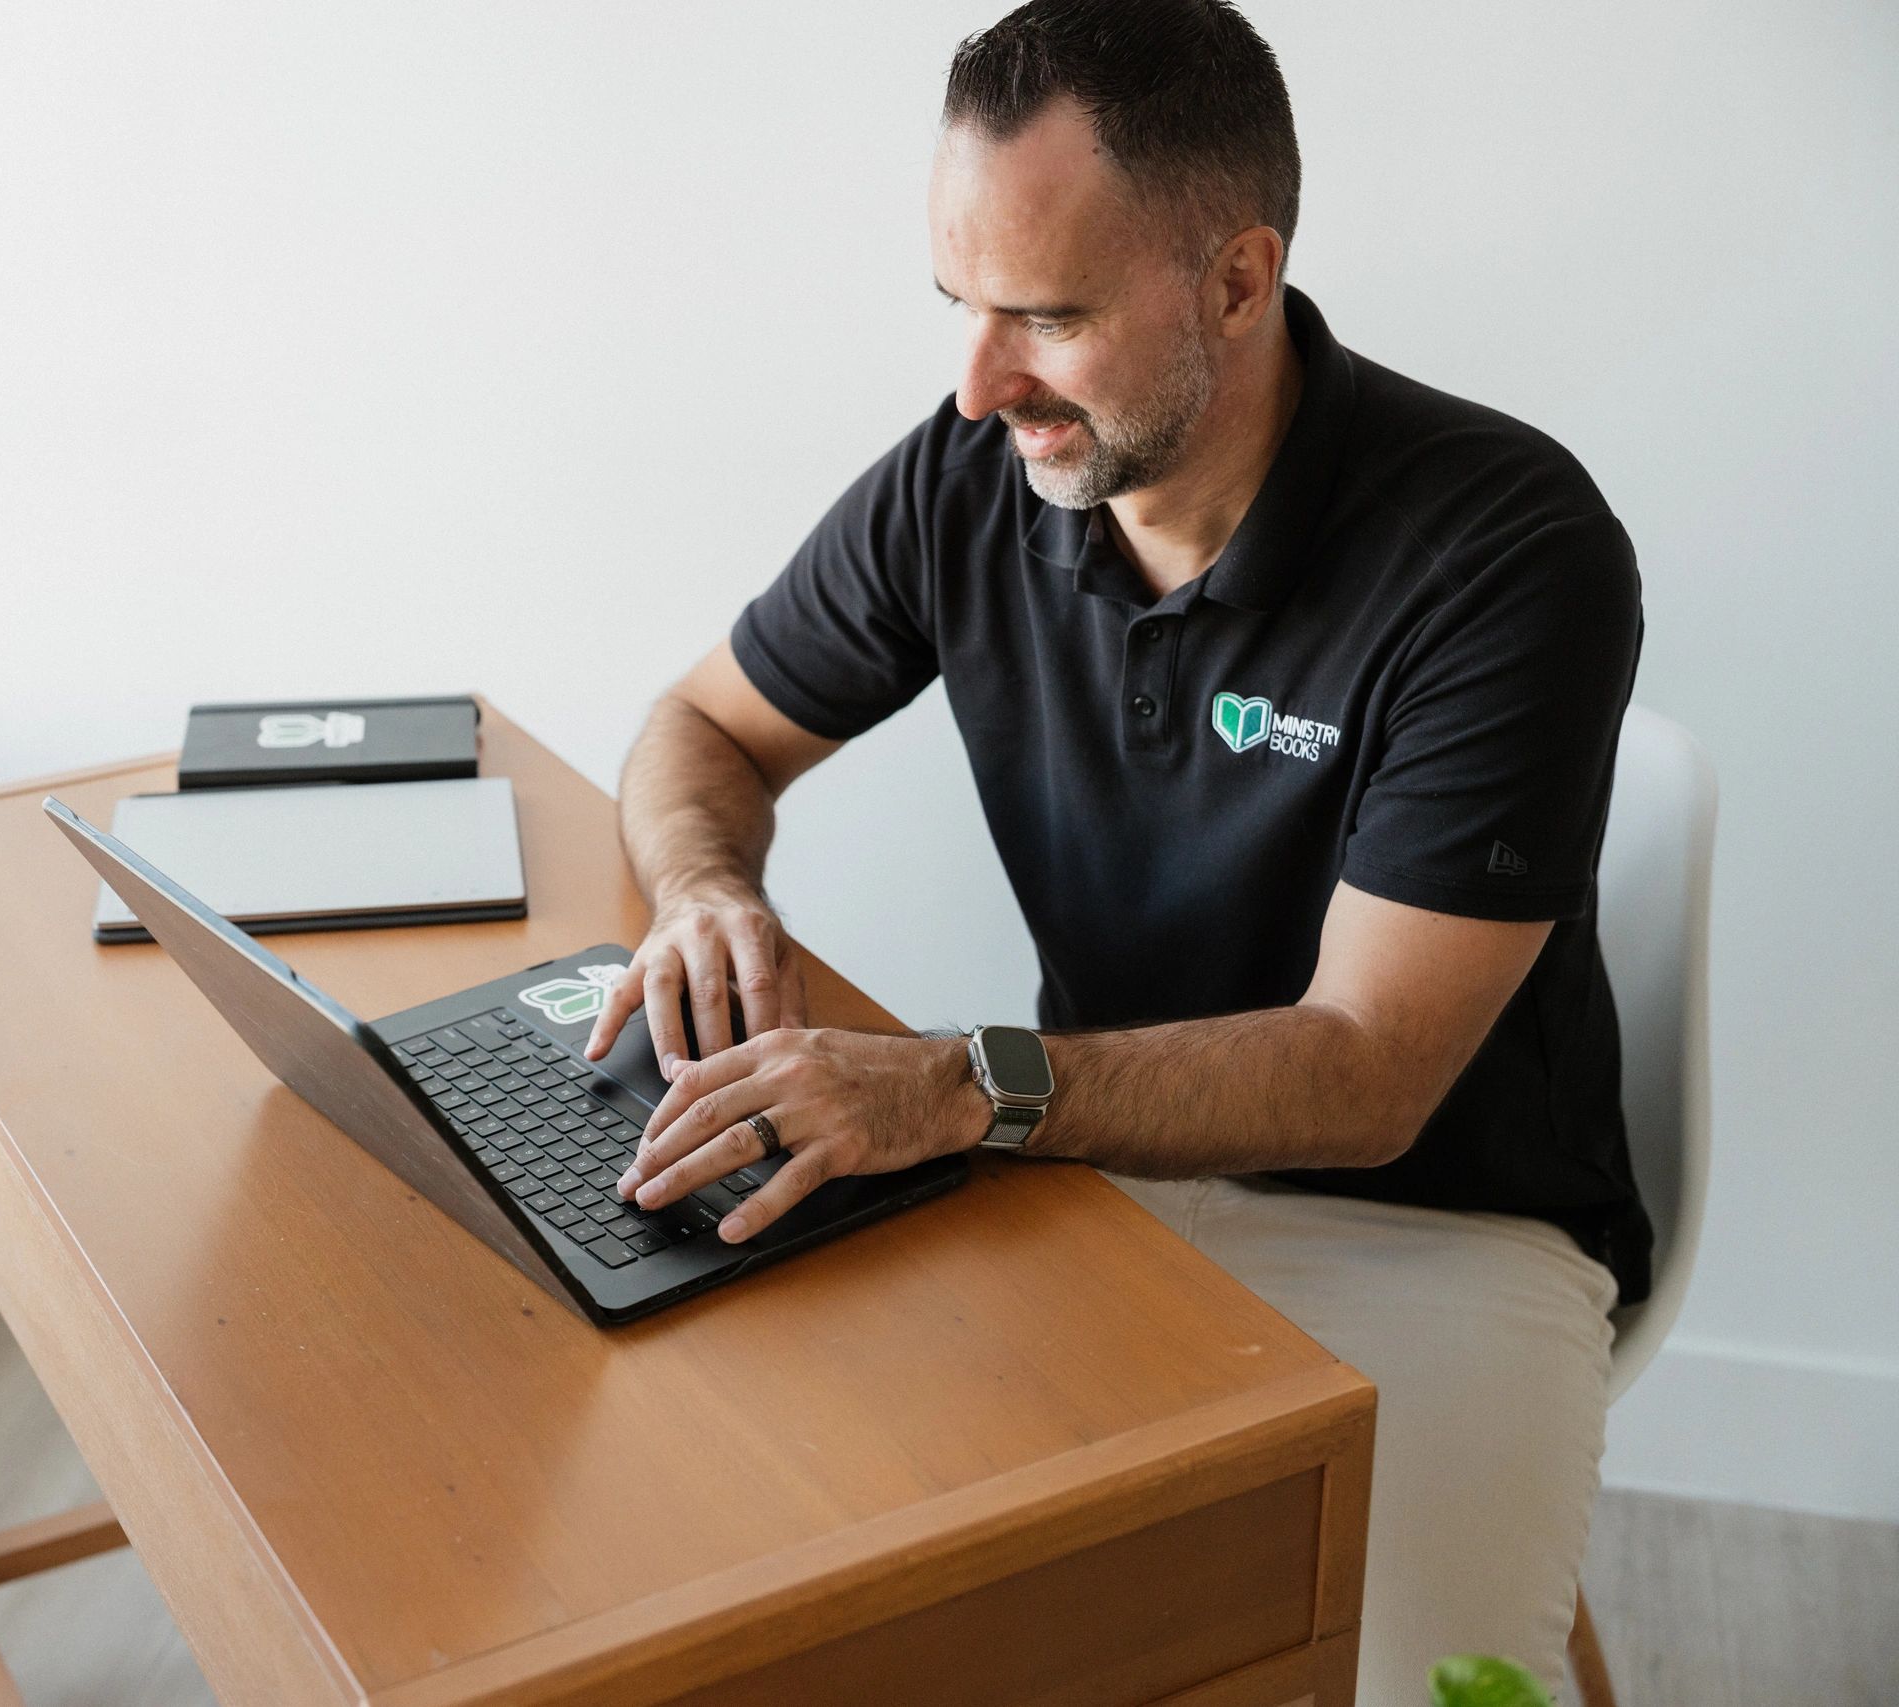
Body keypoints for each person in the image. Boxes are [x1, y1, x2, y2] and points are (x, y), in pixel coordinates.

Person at [582, 3, 1649, 1700]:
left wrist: (948, 1091)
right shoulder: (972, 475)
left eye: (1048, 316)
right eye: (962, 307)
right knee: (813, 1583)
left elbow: (1369, 1075)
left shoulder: (1506, 547)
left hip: (1442, 1225)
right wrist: (708, 881)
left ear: (1237, 278)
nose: (978, 382)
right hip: (1079, 1173)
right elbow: (698, 734)